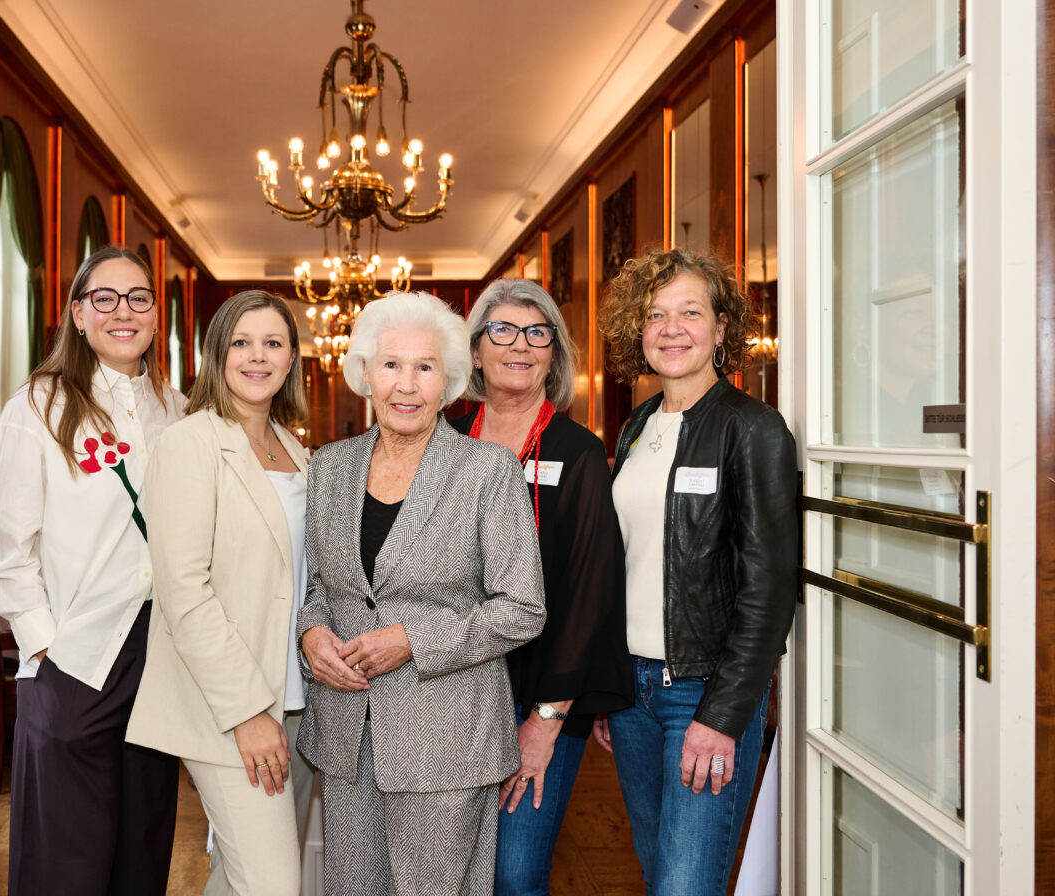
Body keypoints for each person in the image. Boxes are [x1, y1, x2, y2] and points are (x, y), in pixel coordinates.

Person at [295, 291, 547, 896]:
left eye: (424, 367)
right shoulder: (329, 467)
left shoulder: (487, 470)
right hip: (348, 735)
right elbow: (319, 587)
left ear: (449, 381)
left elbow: (522, 608)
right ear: (365, 373)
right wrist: (312, 634)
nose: (406, 385)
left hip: (446, 738)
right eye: (391, 365)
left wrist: (413, 640)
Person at [0, 246, 183, 896]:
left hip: (160, 653)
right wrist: (46, 646)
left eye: (138, 298)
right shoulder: (36, 406)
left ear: (156, 313)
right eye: (105, 298)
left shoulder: (177, 409)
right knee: (63, 862)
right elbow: (7, 550)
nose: (123, 311)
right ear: (77, 312)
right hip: (74, 655)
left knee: (142, 847)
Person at [594, 248, 798, 896]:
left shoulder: (753, 428)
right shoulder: (637, 426)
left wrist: (724, 714)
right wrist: (606, 685)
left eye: (690, 312)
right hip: (631, 691)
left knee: (686, 885)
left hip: (703, 691)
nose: (672, 329)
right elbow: (625, 563)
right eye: (656, 315)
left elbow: (770, 588)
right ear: (638, 330)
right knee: (658, 872)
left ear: (721, 326)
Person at [126, 290, 313, 896]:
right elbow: (184, 593)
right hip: (229, 707)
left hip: (296, 697)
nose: (257, 356)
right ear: (217, 354)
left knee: (238, 880)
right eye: (242, 342)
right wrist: (247, 712)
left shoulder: (294, 448)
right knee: (273, 886)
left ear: (291, 359)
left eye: (273, 343)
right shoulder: (189, 443)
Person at [449, 279, 632, 896]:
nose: (520, 345)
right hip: (449, 689)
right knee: (447, 865)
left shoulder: (577, 451)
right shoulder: (443, 439)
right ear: (476, 351)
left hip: (540, 693)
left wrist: (547, 719)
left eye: (537, 333)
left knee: (514, 873)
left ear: (554, 355)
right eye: (502, 330)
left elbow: (590, 590)